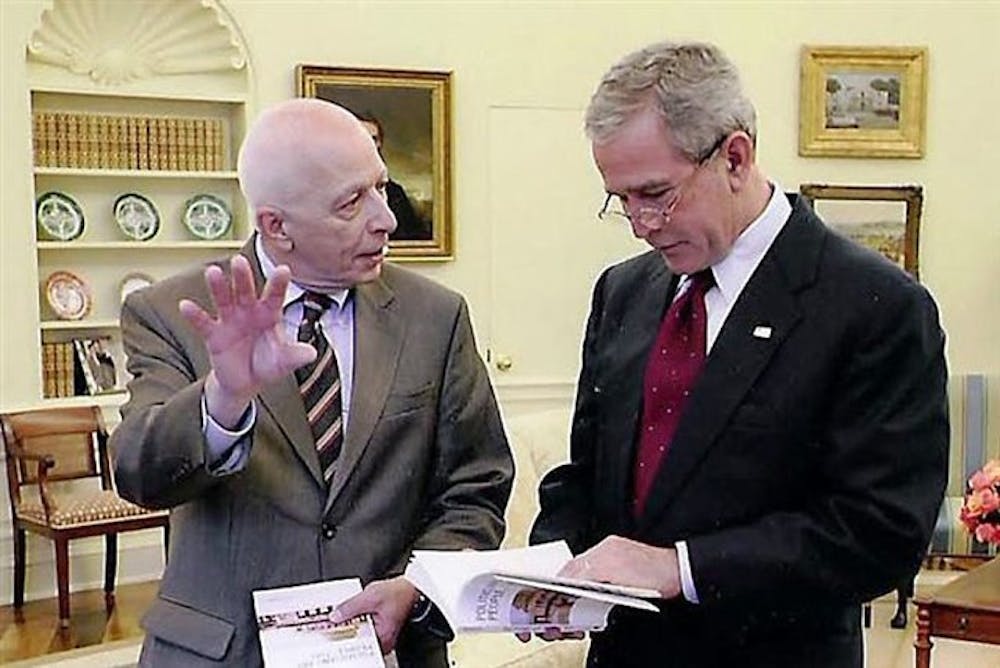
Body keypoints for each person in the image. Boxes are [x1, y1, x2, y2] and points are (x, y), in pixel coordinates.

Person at [529, 40, 948, 667]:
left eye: (656, 194)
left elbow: (879, 531)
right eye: (622, 200)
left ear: (735, 156)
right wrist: (550, 567)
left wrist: (682, 568)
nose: (641, 222)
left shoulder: (875, 306)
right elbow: (590, 473)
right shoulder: (625, 290)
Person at [110, 98, 513, 667]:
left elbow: (476, 488)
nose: (386, 219)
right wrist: (223, 399)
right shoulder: (173, 312)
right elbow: (139, 475)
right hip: (223, 653)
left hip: (389, 649)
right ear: (276, 225)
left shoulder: (436, 317)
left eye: (381, 186)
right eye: (352, 202)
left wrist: (417, 587)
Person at [355, 111, 433, 241]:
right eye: (363, 137)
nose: (369, 143)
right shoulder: (336, 189)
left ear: (380, 143)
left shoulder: (395, 193)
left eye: (373, 138)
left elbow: (413, 235)